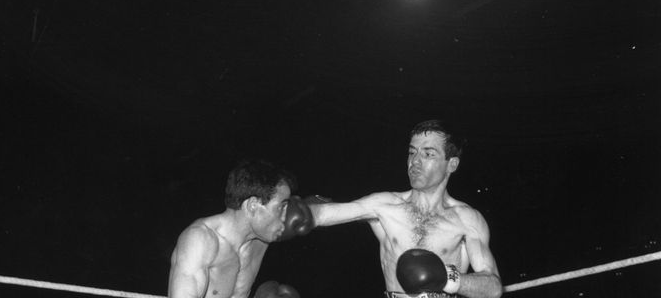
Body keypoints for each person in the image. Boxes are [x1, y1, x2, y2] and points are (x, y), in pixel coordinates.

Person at [305, 120, 503, 298]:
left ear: (451, 164)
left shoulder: (467, 220)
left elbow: (493, 287)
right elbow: (324, 214)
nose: (415, 161)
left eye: (428, 154)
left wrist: (447, 278)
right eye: (411, 152)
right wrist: (296, 211)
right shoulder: (385, 205)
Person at [168, 159, 304, 298]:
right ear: (253, 205)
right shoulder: (200, 240)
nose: (285, 217)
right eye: (281, 207)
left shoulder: (262, 237)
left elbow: (317, 214)